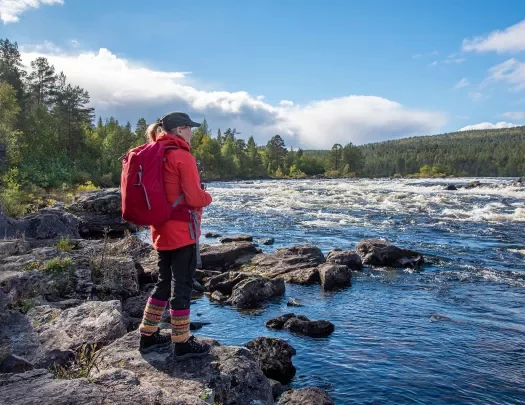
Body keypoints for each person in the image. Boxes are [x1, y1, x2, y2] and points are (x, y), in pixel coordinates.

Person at [138, 111, 212, 360]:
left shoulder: (153, 153)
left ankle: (147, 336)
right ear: (180, 130)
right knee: (181, 285)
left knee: (163, 281)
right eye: (189, 127)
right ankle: (182, 342)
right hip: (183, 232)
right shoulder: (182, 157)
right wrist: (208, 197)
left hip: (159, 229)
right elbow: (193, 197)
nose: (192, 132)